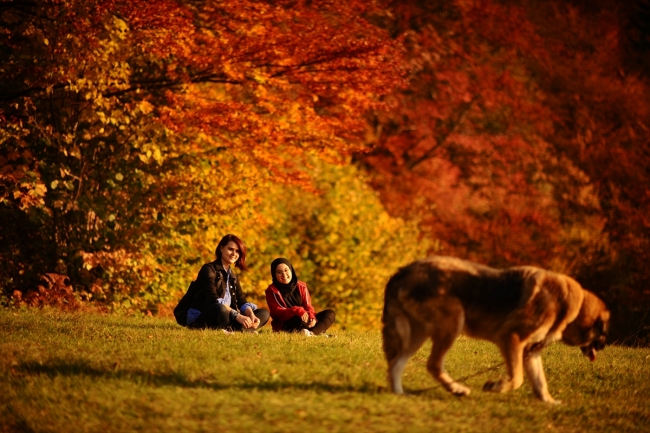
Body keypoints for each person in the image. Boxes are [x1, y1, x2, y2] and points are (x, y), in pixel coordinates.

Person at [186, 234, 269, 332]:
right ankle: (241, 329)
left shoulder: (233, 276)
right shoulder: (208, 269)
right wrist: (237, 315)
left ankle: (236, 329)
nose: (234, 253)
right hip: (203, 316)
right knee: (220, 309)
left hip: (227, 316)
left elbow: (242, 301)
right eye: (231, 249)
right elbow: (213, 300)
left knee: (264, 313)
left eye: (237, 251)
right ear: (221, 248)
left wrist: (251, 314)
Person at [265, 258, 335, 336]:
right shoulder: (271, 291)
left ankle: (312, 333)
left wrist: (312, 317)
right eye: (279, 272)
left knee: (330, 313)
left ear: (291, 270)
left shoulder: (301, 286)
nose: (284, 275)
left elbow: (308, 306)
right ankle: (317, 332)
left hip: (305, 319)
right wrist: (296, 310)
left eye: (286, 270)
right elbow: (277, 312)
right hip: (287, 323)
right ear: (274, 275)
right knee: (297, 319)